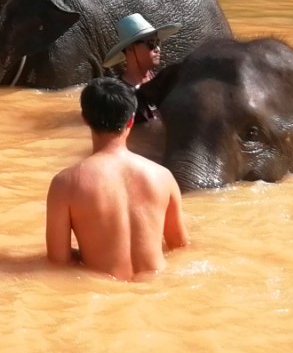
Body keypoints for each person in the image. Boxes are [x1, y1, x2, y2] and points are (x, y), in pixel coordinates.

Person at [46, 76, 188, 282]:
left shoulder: (65, 183)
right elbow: (179, 246)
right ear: (131, 119)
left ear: (85, 118)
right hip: (156, 288)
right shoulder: (163, 176)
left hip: (102, 292)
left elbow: (59, 260)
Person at [106, 12, 168, 158]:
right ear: (130, 49)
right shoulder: (119, 96)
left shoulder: (163, 81)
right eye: (151, 44)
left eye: (157, 42)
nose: (157, 48)